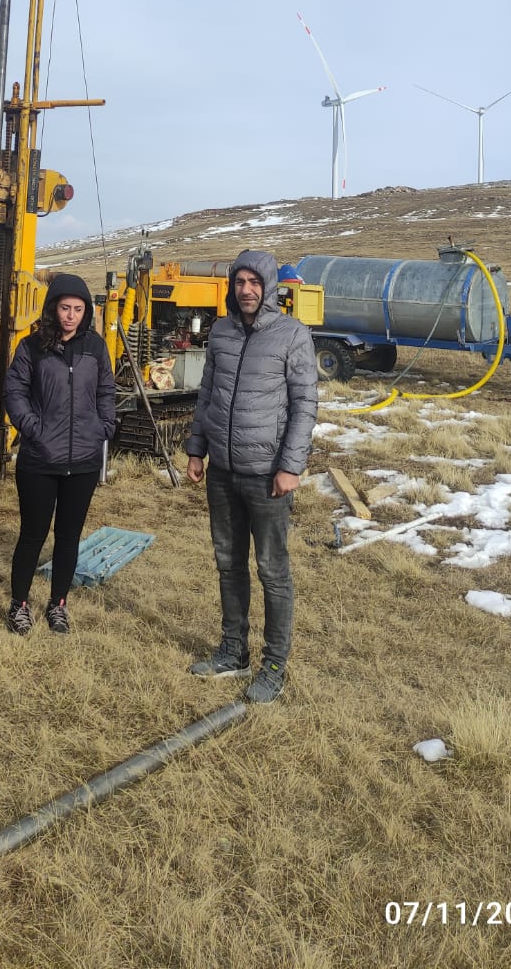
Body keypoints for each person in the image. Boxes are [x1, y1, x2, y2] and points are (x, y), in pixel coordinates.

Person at [185, 249, 318, 704]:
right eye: (239, 282)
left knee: (272, 571)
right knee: (228, 563)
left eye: (254, 282)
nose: (246, 290)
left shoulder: (292, 335)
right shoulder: (220, 332)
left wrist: (290, 466)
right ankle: (232, 651)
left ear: (268, 287)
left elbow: (304, 405)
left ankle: (274, 664)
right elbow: (208, 394)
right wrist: (196, 450)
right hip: (221, 470)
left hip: (267, 477)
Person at [3, 273, 116, 635]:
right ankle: (19, 604)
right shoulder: (30, 346)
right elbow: (14, 393)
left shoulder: (96, 348)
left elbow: (106, 393)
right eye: (65, 308)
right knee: (33, 535)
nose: (71, 315)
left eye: (78, 309)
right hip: (39, 460)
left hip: (83, 461)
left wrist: (103, 428)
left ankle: (58, 605)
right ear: (53, 308)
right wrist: (34, 430)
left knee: (69, 537)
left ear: (86, 312)